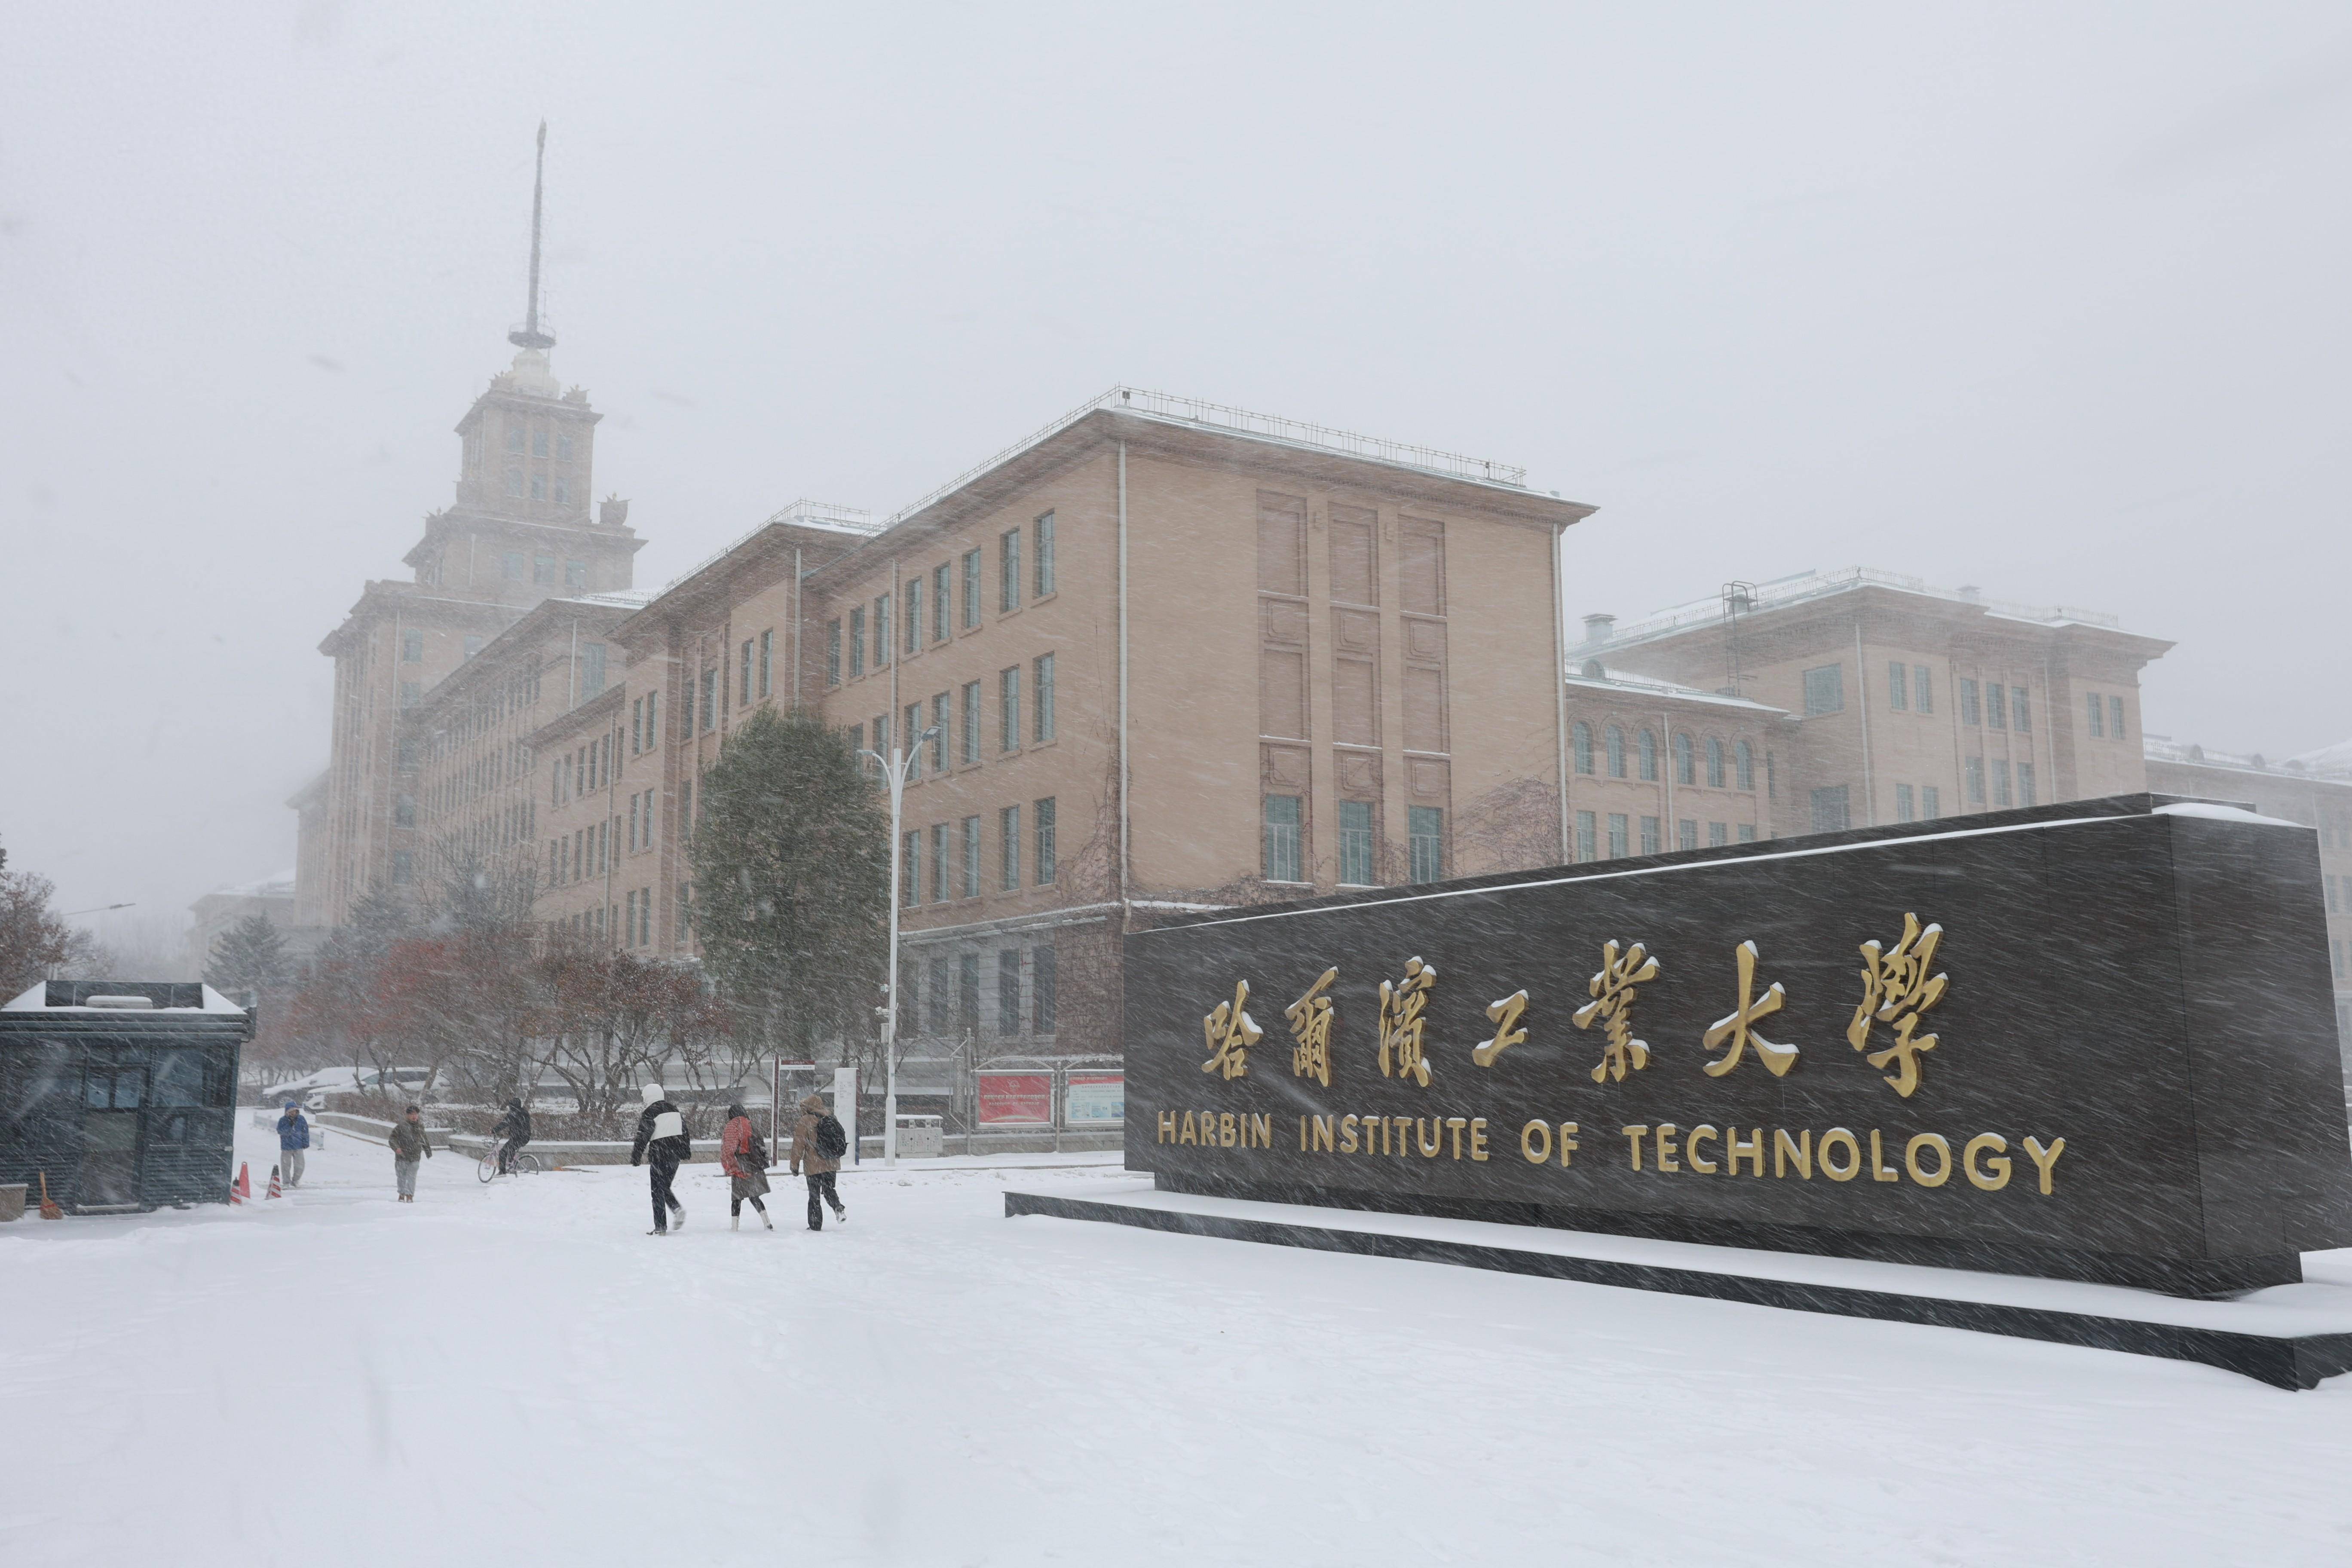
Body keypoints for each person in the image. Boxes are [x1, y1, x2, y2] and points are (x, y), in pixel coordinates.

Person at [630, 1083, 690, 1235]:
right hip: (675, 1156)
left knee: (657, 1191)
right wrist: (685, 1151)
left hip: (659, 1154)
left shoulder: (650, 1112)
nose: (644, 1099)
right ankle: (676, 1209)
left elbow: (643, 1135)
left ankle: (661, 1227)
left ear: (650, 1095)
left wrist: (636, 1156)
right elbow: (685, 1131)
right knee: (663, 1187)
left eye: (645, 1096)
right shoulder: (674, 1110)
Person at [789, 1092, 848, 1231]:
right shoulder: (831, 1117)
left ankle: (815, 1225)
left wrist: (794, 1165)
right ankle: (838, 1207)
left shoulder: (805, 1120)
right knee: (829, 1189)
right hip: (830, 1162)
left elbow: (799, 1145)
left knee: (814, 1196)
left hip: (813, 1163)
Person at [719, 1102, 772, 1231]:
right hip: (754, 1164)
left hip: (741, 1163)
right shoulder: (750, 1124)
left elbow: (728, 1149)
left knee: (737, 1197)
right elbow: (761, 1143)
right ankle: (767, 1223)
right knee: (754, 1195)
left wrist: (730, 1165)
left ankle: (734, 1227)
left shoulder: (733, 1126)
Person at [388, 1103, 432, 1202]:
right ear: (407, 1115)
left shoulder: (420, 1127)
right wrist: (396, 1148)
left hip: (415, 1156)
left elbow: (424, 1139)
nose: (414, 1116)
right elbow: (392, 1139)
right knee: (402, 1176)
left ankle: (410, 1196)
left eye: (416, 1114)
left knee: (412, 1177)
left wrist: (428, 1151)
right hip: (402, 1156)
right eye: (412, 1114)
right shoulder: (401, 1127)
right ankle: (401, 1194)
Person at [492, 1097, 533, 1176]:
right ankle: (511, 1166)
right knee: (511, 1149)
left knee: (503, 1152)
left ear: (512, 1106)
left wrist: (494, 1131)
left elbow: (504, 1123)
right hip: (525, 1137)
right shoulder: (524, 1112)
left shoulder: (513, 1114)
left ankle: (502, 1172)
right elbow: (522, 1125)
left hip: (517, 1138)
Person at [276, 1101, 311, 1188]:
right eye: (290, 1111)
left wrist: (306, 1142)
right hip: (286, 1146)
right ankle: (286, 1182)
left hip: (298, 1146)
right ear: (287, 1112)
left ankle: (296, 1181)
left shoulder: (301, 1119)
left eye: (294, 1111)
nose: (293, 1113)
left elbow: (305, 1131)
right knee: (286, 1166)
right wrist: (289, 1128)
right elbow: (280, 1131)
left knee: (300, 1165)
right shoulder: (283, 1120)